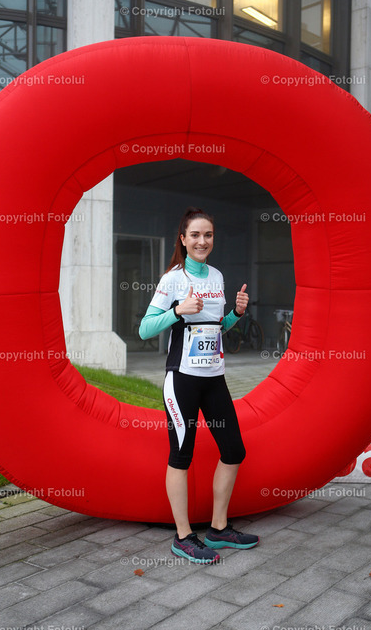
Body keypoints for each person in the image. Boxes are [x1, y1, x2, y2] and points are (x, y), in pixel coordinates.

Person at [139, 206, 259, 564]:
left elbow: (217, 329)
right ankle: (183, 537)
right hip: (182, 381)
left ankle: (219, 528)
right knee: (181, 456)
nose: (202, 241)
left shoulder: (217, 276)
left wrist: (236, 314)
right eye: (195, 235)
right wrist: (178, 311)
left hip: (214, 379)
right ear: (183, 239)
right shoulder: (173, 279)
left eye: (207, 235)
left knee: (234, 450)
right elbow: (144, 329)